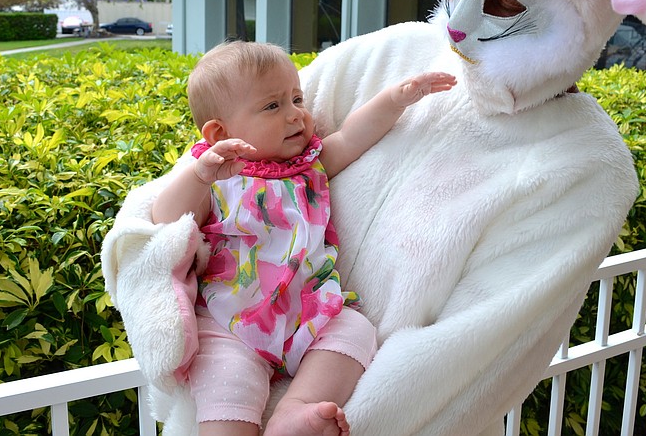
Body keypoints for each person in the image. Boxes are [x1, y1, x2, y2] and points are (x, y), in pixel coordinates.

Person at [151, 41, 456, 436]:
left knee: (356, 332)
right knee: (226, 381)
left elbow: (351, 137)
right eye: (273, 106)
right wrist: (199, 176)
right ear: (220, 132)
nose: (296, 115)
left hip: (311, 313)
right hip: (231, 319)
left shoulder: (309, 167)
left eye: (297, 98)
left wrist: (395, 99)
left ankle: (294, 410)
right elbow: (166, 218)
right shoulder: (220, 178)